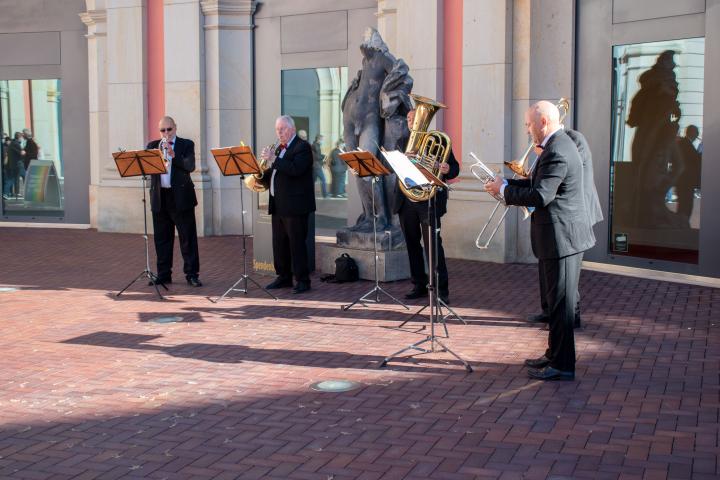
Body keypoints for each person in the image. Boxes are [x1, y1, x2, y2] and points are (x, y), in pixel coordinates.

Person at [485, 101, 595, 381]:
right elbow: (538, 184)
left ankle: (562, 365)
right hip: (557, 236)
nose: (527, 129)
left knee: (561, 306)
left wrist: (505, 192)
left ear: (543, 122)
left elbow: (540, 196)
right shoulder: (557, 145)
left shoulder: (557, 150)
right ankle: (554, 355)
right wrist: (506, 184)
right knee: (556, 303)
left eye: (528, 124)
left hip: (563, 237)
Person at [526, 128, 603, 329]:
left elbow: (566, 171)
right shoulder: (556, 144)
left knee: (567, 277)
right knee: (548, 269)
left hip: (574, 212)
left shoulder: (571, 140)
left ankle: (571, 316)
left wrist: (544, 158)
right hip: (555, 218)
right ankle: (549, 311)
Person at [392, 109, 459, 305]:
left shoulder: (437, 141)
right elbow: (394, 167)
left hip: (428, 201)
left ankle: (441, 290)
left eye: (414, 118)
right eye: (408, 119)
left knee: (433, 246)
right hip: (406, 201)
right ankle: (419, 284)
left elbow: (454, 167)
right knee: (412, 245)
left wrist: (446, 169)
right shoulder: (401, 142)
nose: (411, 121)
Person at [260, 115, 315, 294]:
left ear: (291, 129)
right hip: (278, 203)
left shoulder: (302, 147)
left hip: (295, 205)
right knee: (279, 243)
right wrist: (261, 174)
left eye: (282, 129)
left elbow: (295, 170)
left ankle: (302, 280)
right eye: (277, 130)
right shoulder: (279, 149)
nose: (279, 133)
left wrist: (273, 160)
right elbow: (276, 173)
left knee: (296, 244)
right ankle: (284, 277)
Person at [146, 116, 202, 287]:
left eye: (169, 129)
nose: (166, 133)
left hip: (181, 198)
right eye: (162, 130)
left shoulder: (186, 144)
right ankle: (164, 274)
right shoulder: (152, 146)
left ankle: (191, 274)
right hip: (160, 197)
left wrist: (174, 155)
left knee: (187, 238)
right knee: (162, 239)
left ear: (175, 128)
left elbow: (190, 166)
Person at [675, 125, 701, 225]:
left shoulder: (685, 143)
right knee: (686, 205)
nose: (698, 134)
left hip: (684, 181)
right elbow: (693, 159)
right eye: (697, 132)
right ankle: (681, 227)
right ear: (692, 133)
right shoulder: (685, 144)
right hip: (685, 181)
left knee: (685, 205)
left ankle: (682, 225)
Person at [311, 134, 328, 198]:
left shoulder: (316, 145)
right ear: (319, 139)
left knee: (313, 181)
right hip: (316, 166)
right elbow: (317, 157)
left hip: (315, 165)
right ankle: (325, 195)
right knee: (323, 179)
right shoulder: (316, 146)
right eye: (322, 140)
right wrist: (324, 156)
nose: (323, 141)